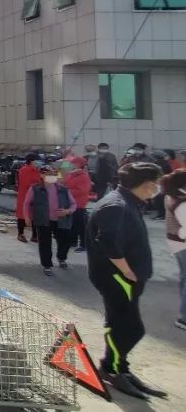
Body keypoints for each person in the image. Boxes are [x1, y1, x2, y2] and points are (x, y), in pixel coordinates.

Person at [86, 162, 166, 399]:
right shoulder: (117, 206)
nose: (157, 188)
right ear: (146, 184)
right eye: (155, 183)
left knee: (121, 324)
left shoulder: (128, 201)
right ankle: (111, 369)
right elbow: (107, 241)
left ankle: (120, 368)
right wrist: (127, 271)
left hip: (124, 277)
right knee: (130, 328)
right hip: (117, 278)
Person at [24, 166, 77, 275]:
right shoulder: (35, 188)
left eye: (53, 174)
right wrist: (27, 217)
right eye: (48, 174)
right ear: (42, 175)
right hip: (43, 220)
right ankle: (47, 265)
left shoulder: (63, 189)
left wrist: (67, 211)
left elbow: (73, 204)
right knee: (45, 243)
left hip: (61, 220)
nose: (52, 176)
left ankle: (61, 258)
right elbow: (27, 203)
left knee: (65, 241)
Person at [159, 169, 186, 332]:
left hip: (175, 243)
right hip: (182, 242)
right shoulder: (181, 202)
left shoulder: (171, 195)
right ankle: (184, 318)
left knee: (184, 277)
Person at [62, 160, 93, 253]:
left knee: (80, 225)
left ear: (79, 165)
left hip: (79, 204)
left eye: (73, 163)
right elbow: (64, 182)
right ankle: (73, 241)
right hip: (70, 203)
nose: (71, 165)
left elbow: (82, 191)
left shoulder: (83, 176)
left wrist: (67, 191)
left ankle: (84, 244)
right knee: (72, 224)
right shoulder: (71, 174)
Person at [15, 153, 41, 243]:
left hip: (35, 195)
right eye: (37, 160)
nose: (38, 162)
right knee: (22, 215)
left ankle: (34, 235)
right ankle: (20, 234)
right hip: (25, 195)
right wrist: (39, 185)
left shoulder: (36, 170)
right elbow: (27, 184)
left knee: (34, 216)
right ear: (32, 161)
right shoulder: (25, 170)